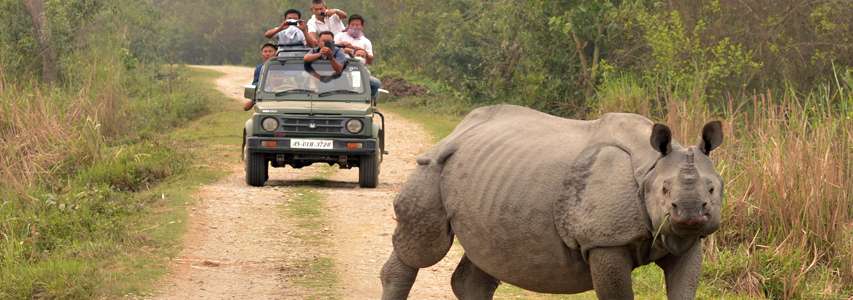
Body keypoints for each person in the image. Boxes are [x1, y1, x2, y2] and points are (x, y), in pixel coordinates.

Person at [246, 43, 277, 111]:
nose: (267, 54)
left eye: (270, 51)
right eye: (265, 51)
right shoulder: (259, 68)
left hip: (282, 96)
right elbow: (255, 84)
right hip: (265, 96)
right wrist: (253, 99)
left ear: (276, 53)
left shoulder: (282, 66)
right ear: (262, 54)